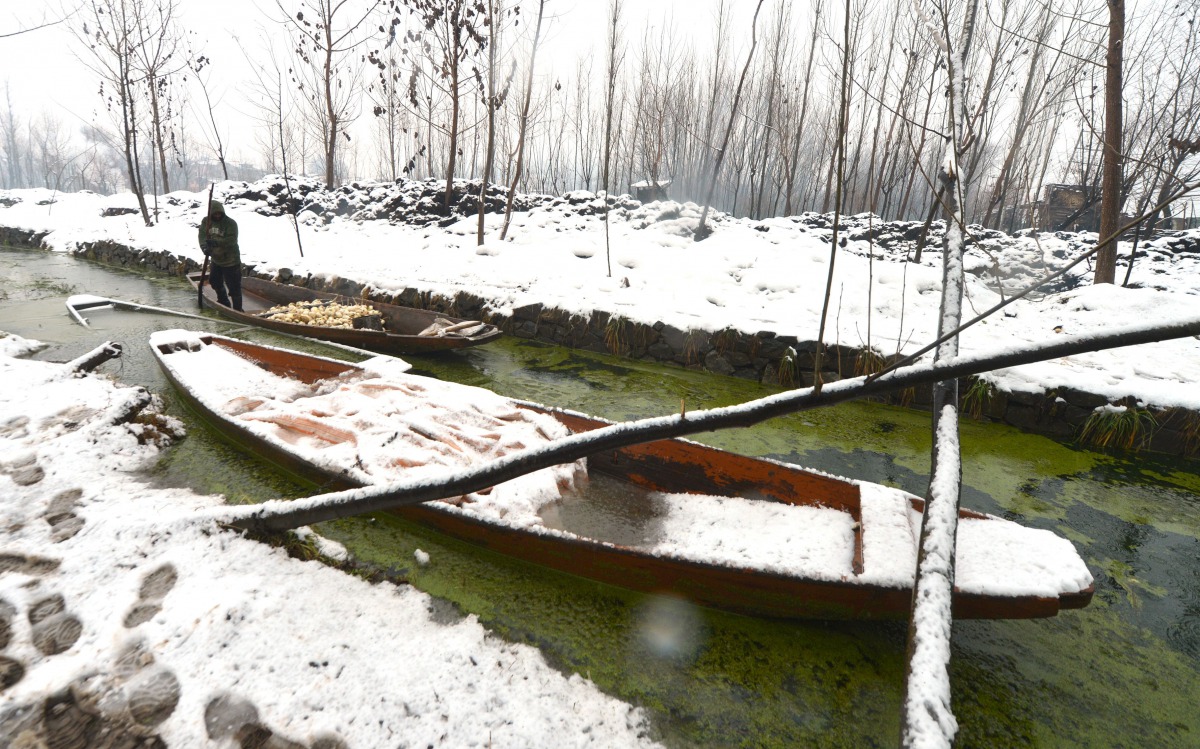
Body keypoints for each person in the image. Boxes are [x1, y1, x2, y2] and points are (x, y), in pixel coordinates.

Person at [198, 199, 242, 311]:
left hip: (231, 260)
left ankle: (238, 310)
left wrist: (217, 242)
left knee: (234, 287)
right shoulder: (206, 222)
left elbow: (232, 240)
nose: (217, 216)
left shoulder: (231, 223)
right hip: (216, 260)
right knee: (215, 281)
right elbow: (202, 236)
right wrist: (204, 247)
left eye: (219, 214)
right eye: (215, 214)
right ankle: (224, 302)